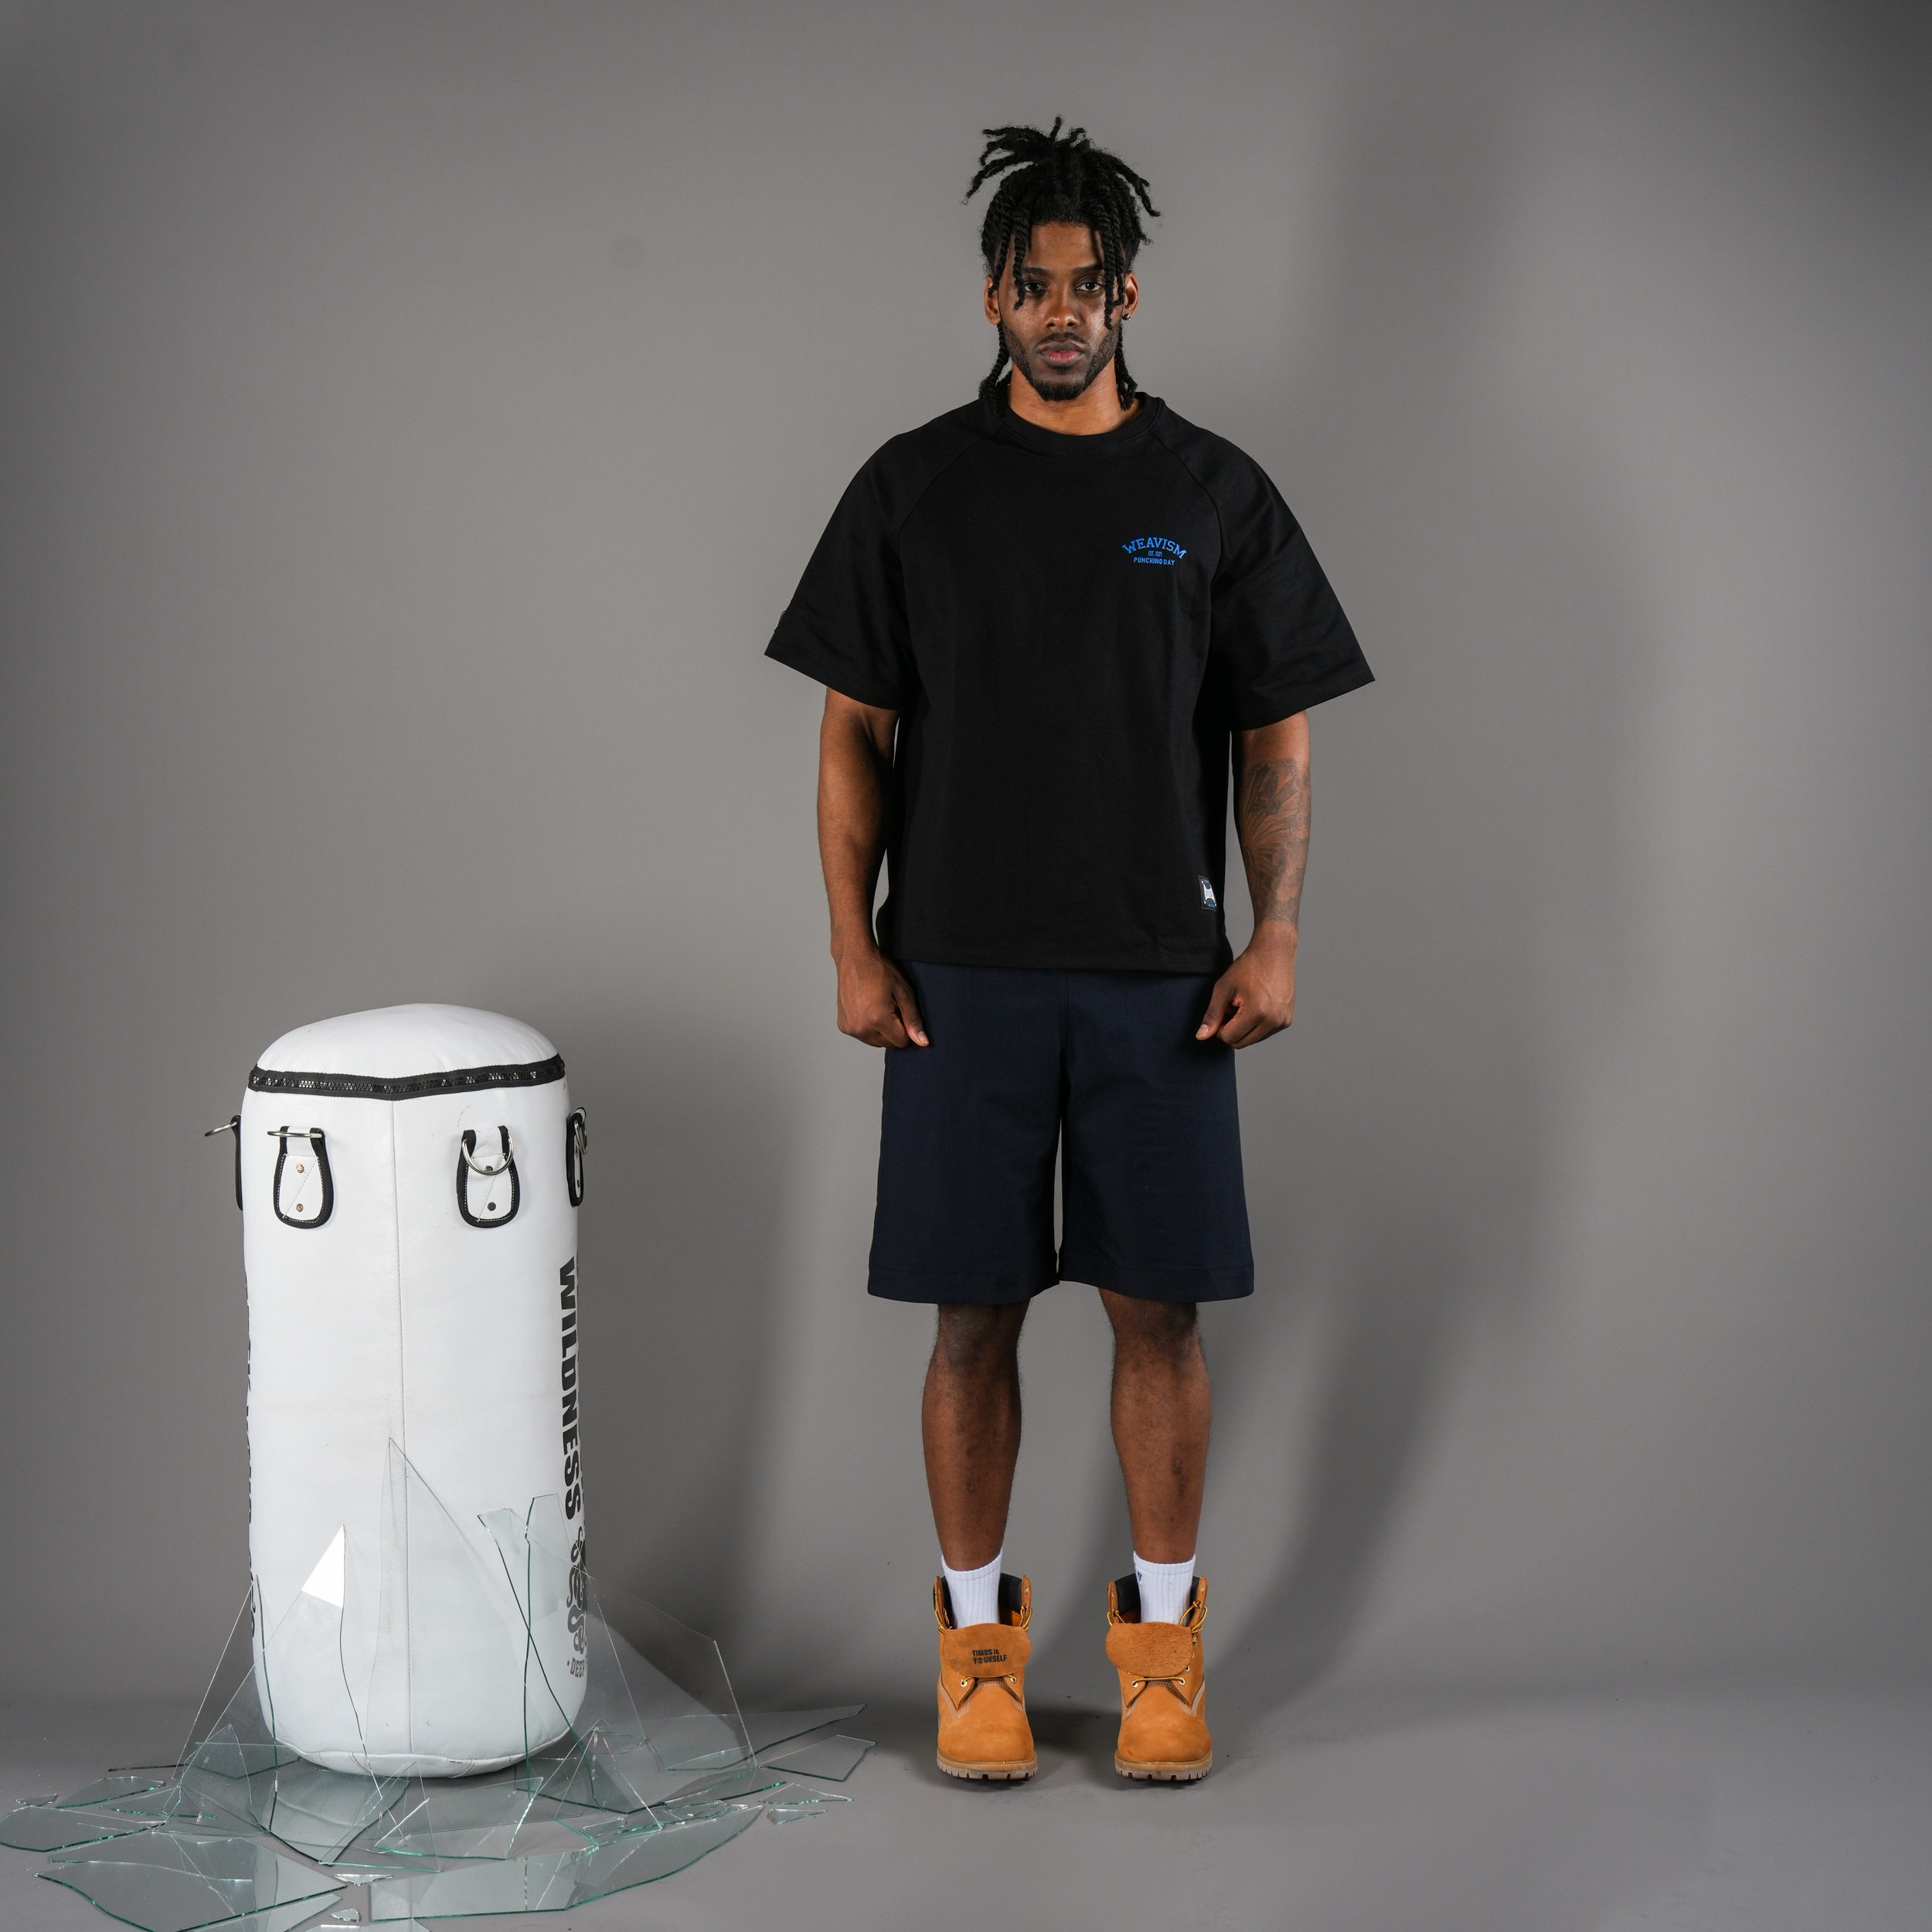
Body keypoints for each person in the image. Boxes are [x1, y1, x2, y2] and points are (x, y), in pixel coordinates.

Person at [765, 120, 1372, 1784]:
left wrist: (1277, 930)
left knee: (1156, 1315)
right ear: (990, 298)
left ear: (1126, 296)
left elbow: (1275, 728)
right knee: (970, 1321)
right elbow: (851, 732)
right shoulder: (912, 488)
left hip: (1159, 978)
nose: (1058, 313)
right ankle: (977, 1662)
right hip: (953, 976)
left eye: (1085, 285)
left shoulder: (1209, 492)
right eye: (1030, 287)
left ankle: (1163, 1662)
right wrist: (851, 945)